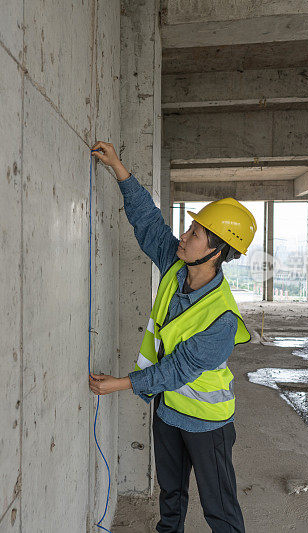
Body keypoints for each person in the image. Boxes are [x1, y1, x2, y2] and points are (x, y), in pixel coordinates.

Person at [88, 141, 256, 533]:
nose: (185, 235)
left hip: (207, 423)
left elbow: (176, 370)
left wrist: (120, 385)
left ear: (215, 252)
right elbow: (148, 222)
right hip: (168, 411)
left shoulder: (222, 320)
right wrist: (119, 169)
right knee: (170, 497)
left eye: (196, 233)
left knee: (220, 510)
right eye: (191, 228)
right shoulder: (175, 268)